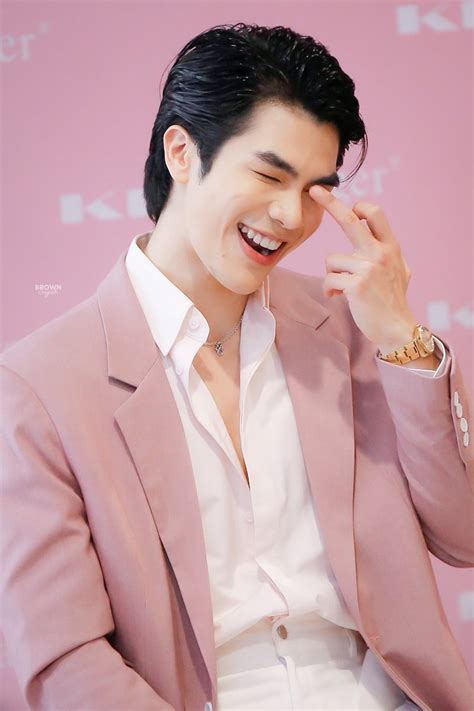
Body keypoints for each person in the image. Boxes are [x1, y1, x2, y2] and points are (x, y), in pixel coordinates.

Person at [1, 22, 473, 711]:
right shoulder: (40, 386)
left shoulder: (349, 330)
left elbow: (463, 533)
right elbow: (65, 660)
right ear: (181, 152)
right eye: (269, 175)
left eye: (314, 190)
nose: (289, 216)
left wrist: (401, 335)